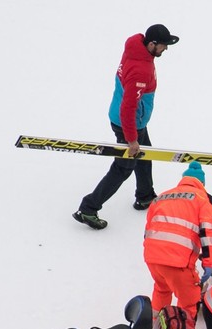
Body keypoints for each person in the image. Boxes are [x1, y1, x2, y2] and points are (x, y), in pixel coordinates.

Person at [73, 24, 180, 230]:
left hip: (135, 121)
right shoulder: (140, 69)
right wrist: (131, 139)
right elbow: (128, 108)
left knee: (146, 154)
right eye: (163, 46)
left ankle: (145, 196)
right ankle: (88, 208)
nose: (165, 49)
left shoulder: (136, 48)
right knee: (123, 168)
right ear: (151, 44)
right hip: (128, 124)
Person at [143, 161, 212, 329]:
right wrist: (209, 264)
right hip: (178, 262)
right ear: (201, 183)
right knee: (188, 305)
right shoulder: (202, 200)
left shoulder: (161, 197)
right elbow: (208, 233)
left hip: (152, 257)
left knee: (161, 291)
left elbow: (148, 228)